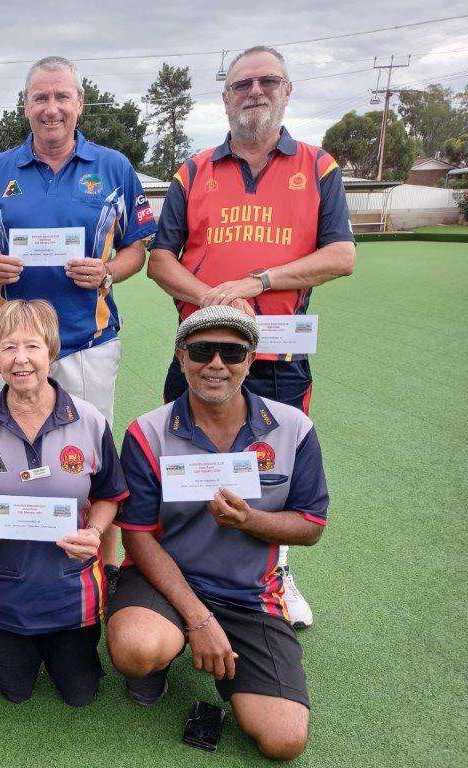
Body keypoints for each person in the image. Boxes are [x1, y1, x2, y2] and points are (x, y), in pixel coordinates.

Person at [146, 46, 354, 627]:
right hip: (201, 349)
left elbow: (340, 255)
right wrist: (214, 296)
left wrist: (255, 281)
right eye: (242, 84)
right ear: (226, 97)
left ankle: (274, 573)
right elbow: (160, 259)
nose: (254, 92)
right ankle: (178, 569)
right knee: (184, 459)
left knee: (272, 470)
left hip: (280, 351)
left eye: (267, 81)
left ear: (286, 91)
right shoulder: (193, 170)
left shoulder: (319, 166)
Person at [0, 55, 157, 585]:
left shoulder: (113, 167)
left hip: (86, 340)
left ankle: (106, 563)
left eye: (61, 97)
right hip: (11, 346)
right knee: (6, 452)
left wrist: (108, 272)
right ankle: (9, 565)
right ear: (26, 106)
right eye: (40, 98)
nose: (51, 108)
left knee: (93, 458)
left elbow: (139, 249)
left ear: (79, 102)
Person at [106, 305, 329, 761]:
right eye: (202, 351)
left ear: (251, 359)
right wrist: (200, 619)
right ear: (181, 356)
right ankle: (160, 659)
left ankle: (226, 652)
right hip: (166, 582)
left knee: (284, 740)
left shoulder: (294, 429)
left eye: (232, 352)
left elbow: (311, 526)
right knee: (136, 648)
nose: (216, 365)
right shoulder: (147, 432)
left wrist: (252, 521)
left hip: (249, 593)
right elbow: (139, 537)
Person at [0, 299, 127, 706]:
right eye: (8, 347)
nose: (21, 359)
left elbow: (108, 494)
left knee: (80, 692)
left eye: (32, 346)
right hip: (4, 587)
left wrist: (94, 531)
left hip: (72, 586)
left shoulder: (90, 420)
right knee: (15, 690)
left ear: (52, 351)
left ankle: (68, 642)